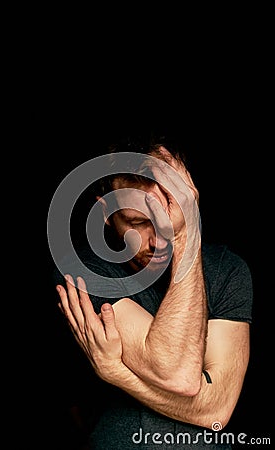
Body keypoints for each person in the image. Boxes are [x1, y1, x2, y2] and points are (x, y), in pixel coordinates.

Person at [50, 131, 253, 449]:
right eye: (139, 222)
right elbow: (178, 374)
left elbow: (216, 410)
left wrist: (117, 373)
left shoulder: (228, 269)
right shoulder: (83, 271)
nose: (160, 240)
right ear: (105, 212)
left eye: (171, 216)